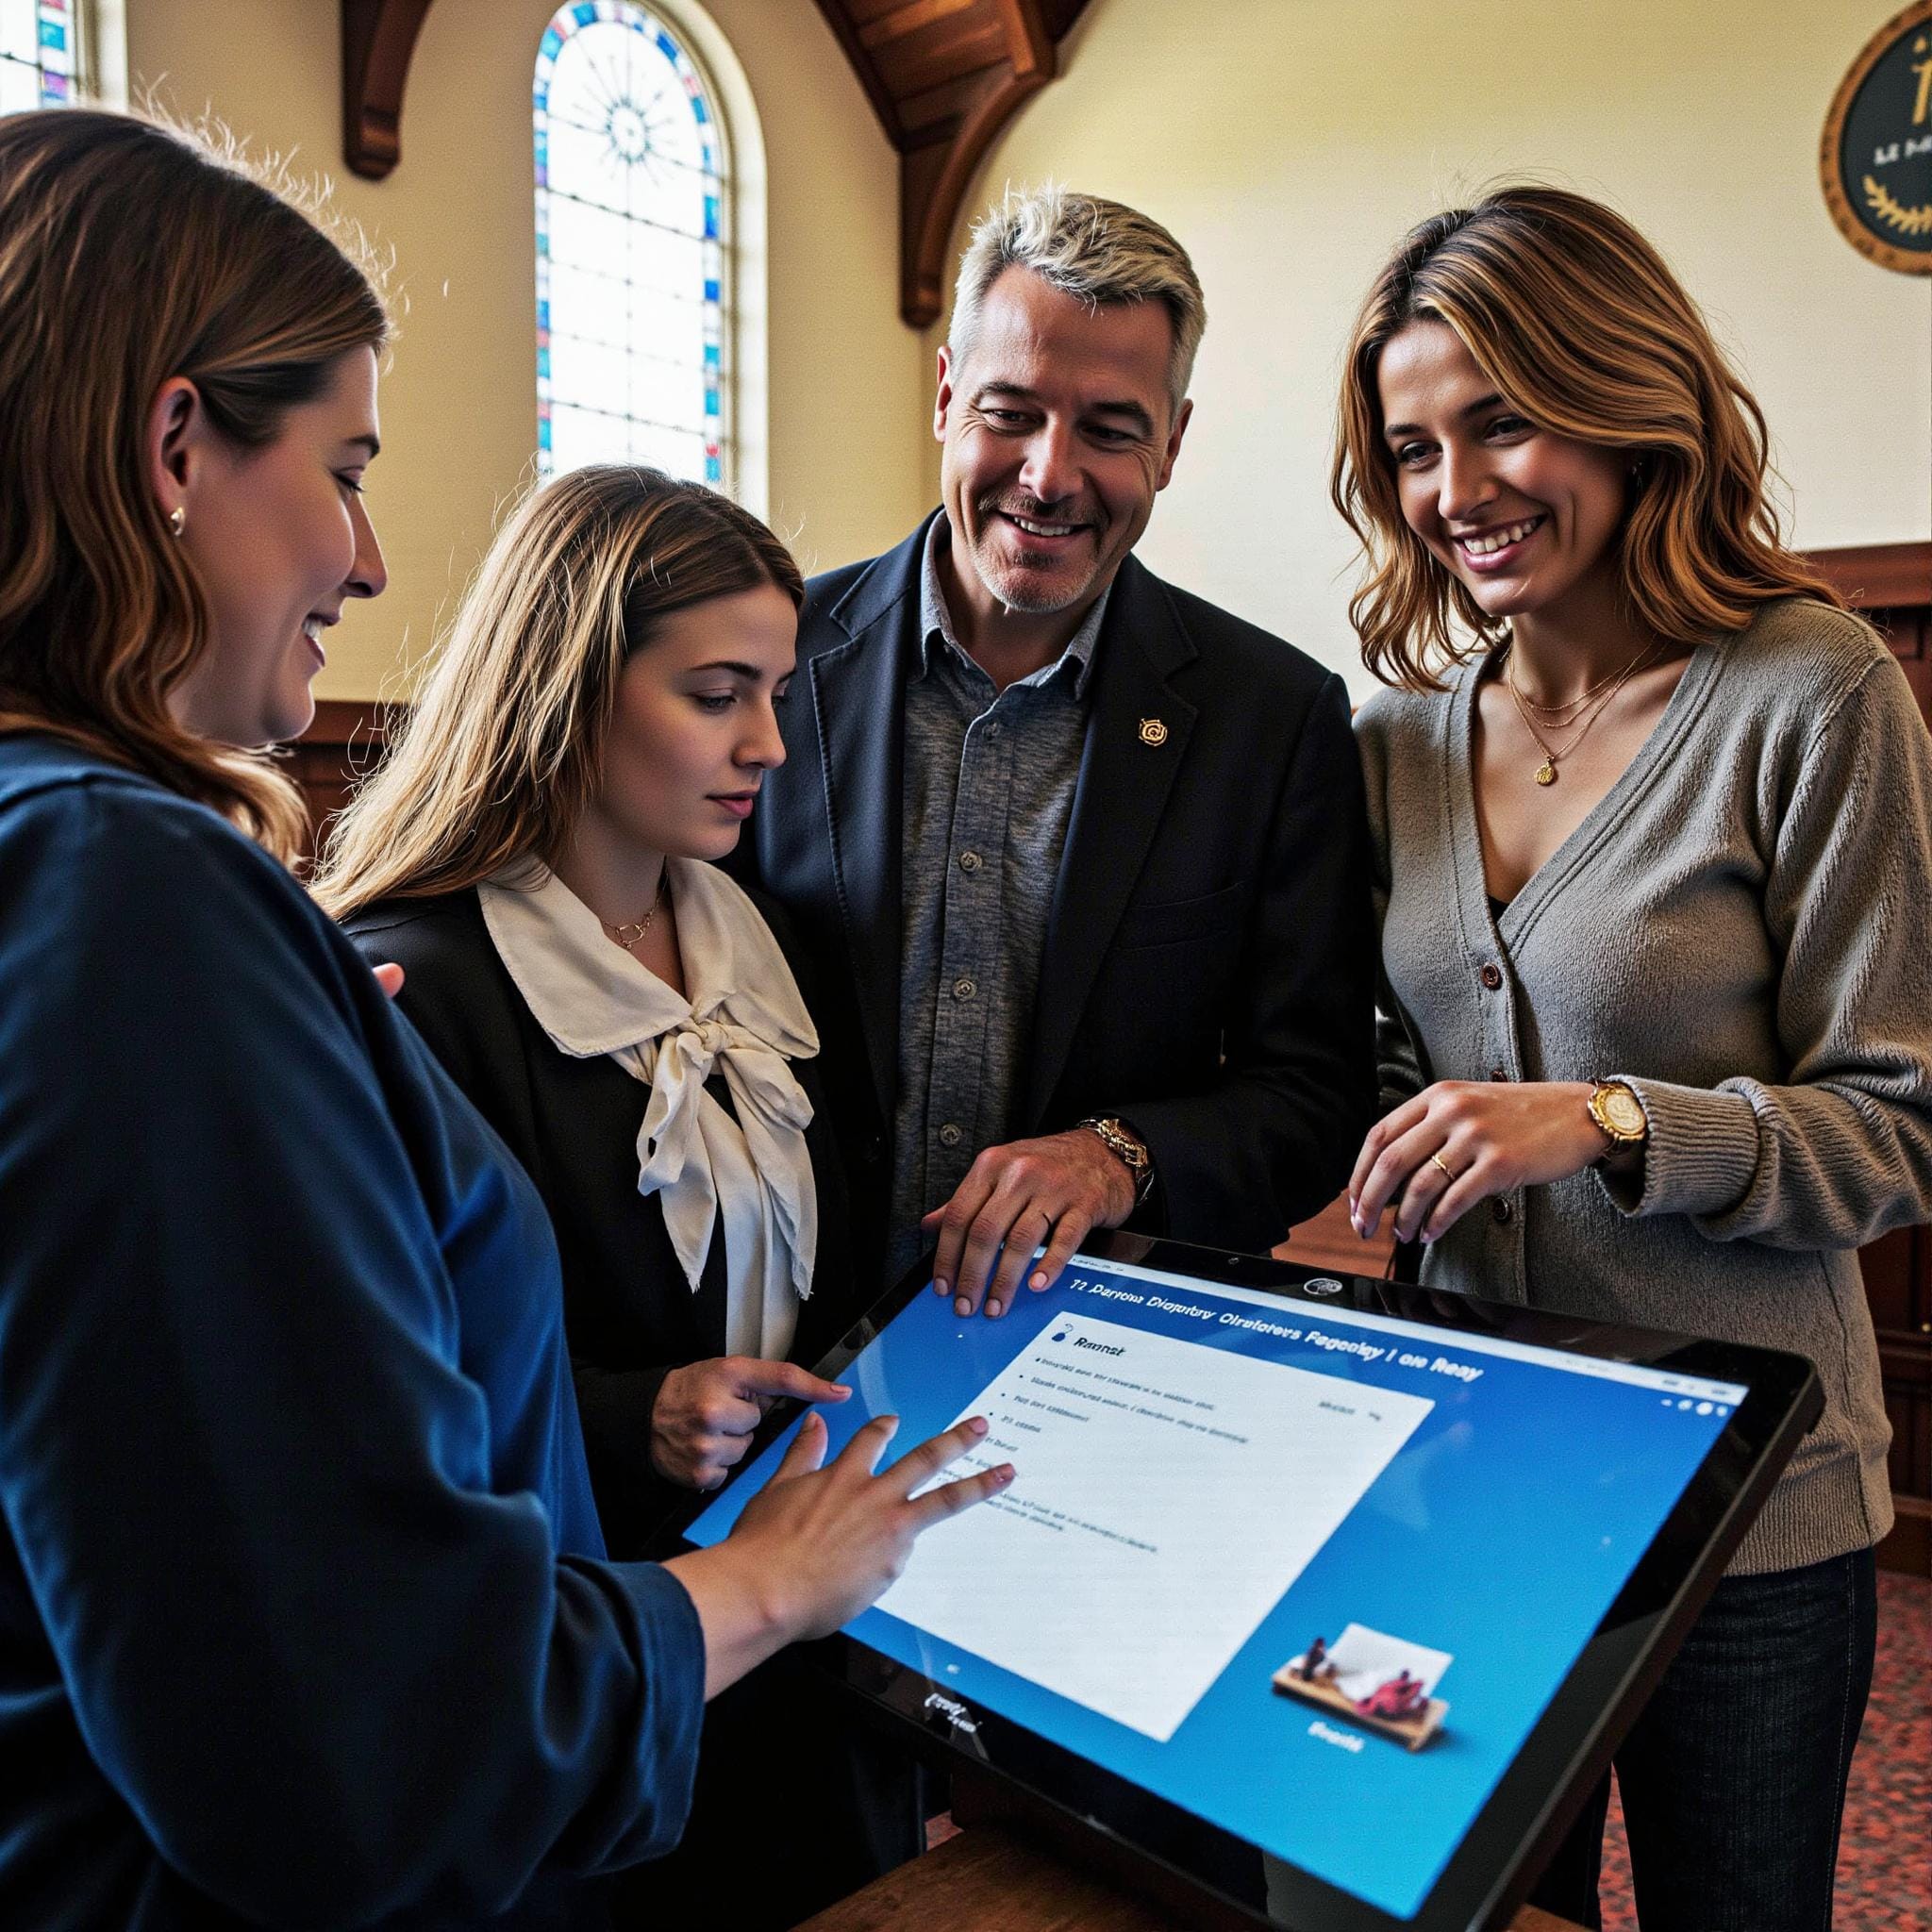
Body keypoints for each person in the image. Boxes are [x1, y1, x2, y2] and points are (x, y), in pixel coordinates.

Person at [0, 107, 1007, 1932]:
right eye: (346, 465)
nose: (370, 559)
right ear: (172, 445)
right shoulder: (128, 900)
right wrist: (770, 1578)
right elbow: (370, 1729)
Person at [1335, 184, 1932, 1932]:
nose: (1459, 491)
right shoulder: (1387, 743)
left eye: (1503, 416)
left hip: (1744, 1515)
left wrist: (1602, 1120)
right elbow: (1375, 1068)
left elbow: (1901, 1128)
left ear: (1623, 393)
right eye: (1414, 447)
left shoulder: (1809, 691)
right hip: (1459, 1487)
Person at [317, 466, 923, 1926]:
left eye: (779, 694)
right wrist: (626, 1415)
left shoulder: (776, 940)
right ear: (573, 685)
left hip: (805, 1635)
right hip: (584, 1655)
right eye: (718, 693)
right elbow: (367, 1401)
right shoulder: (418, 982)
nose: (769, 744)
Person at [740, 185, 1377, 1316]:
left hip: (1103, 1355)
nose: (1047, 473)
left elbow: (1313, 1097)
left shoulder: (1272, 720)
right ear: (944, 398)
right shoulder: (769, 660)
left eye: (1109, 427)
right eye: (1010, 411)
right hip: (775, 1343)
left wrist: (1115, 1155)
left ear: (1171, 444)